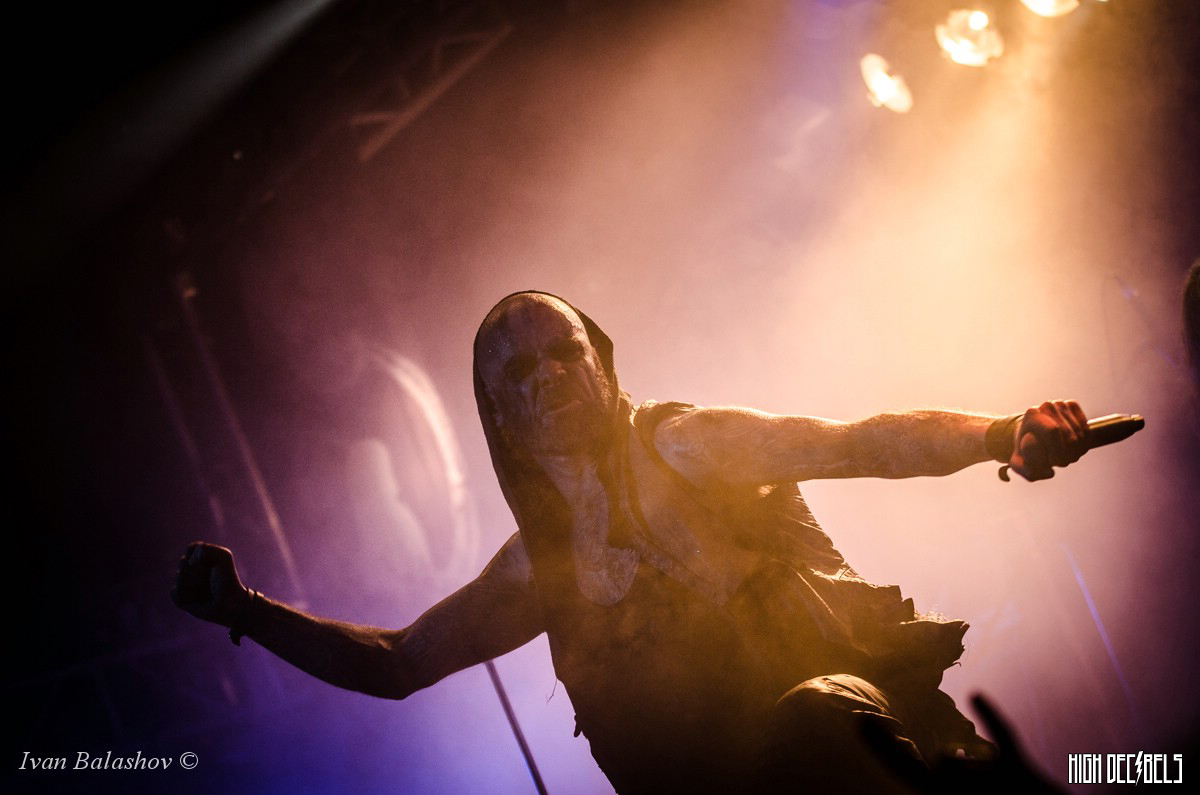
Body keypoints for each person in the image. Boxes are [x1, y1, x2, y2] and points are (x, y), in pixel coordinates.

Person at [173, 291, 1092, 793]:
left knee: (814, 718)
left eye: (563, 352)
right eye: (519, 371)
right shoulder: (539, 569)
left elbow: (857, 442)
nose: (548, 376)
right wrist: (249, 610)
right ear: (498, 413)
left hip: (865, 749)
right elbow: (397, 662)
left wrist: (1000, 432)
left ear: (600, 362)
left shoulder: (685, 444)